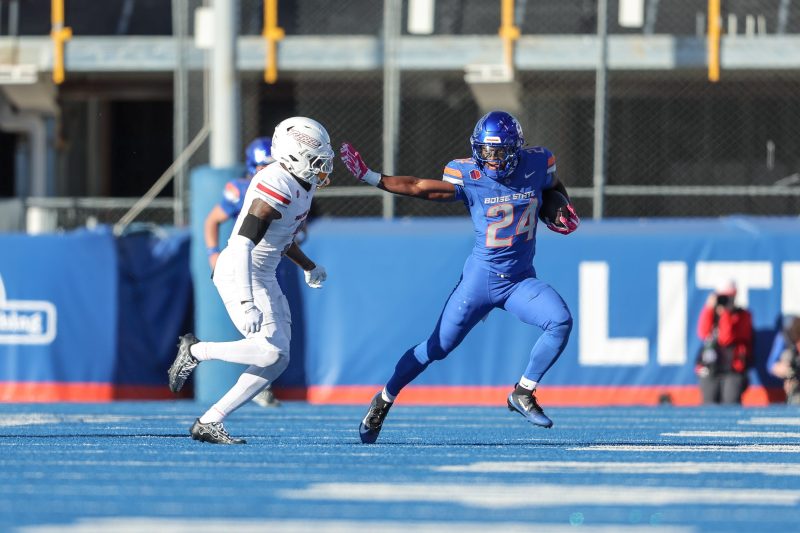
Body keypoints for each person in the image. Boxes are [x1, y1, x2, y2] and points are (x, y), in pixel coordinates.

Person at [340, 110, 579, 444]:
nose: (491, 159)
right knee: (435, 348)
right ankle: (384, 398)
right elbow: (419, 187)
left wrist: (561, 206)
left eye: (499, 152)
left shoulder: (538, 162)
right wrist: (370, 176)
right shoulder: (469, 174)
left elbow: (552, 186)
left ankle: (523, 392)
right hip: (480, 281)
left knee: (560, 321)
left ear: (515, 149)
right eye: (486, 151)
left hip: (520, 281)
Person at [168, 116, 333, 444]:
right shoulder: (275, 186)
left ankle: (210, 421)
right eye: (315, 160)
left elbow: (281, 237)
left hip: (263, 272)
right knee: (270, 352)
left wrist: (308, 265)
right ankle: (196, 350)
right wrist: (246, 301)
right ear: (292, 156)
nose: (321, 168)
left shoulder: (302, 182)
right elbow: (244, 243)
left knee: (278, 358)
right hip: (240, 271)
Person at [204, 136, 281, 408]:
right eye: (264, 165)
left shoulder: (286, 186)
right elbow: (212, 220)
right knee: (259, 330)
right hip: (244, 266)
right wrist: (212, 253)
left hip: (269, 264)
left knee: (275, 333)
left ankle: (259, 383)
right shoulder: (240, 189)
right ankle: (198, 352)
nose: (269, 169)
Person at [694, 280, 753, 404]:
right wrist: (708, 309)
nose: (726, 300)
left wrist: (726, 314)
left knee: (730, 402)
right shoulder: (712, 314)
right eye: (723, 297)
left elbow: (726, 339)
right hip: (710, 367)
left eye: (730, 297)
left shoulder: (743, 315)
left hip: (733, 369)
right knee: (708, 404)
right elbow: (703, 333)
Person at [767, 315, 800, 405]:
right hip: (794, 378)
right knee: (787, 356)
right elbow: (770, 365)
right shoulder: (784, 338)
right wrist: (788, 373)